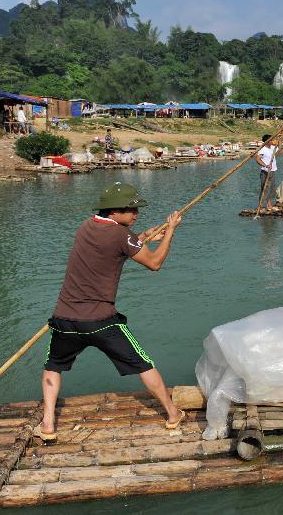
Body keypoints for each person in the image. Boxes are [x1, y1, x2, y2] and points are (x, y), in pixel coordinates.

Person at [36, 183, 185, 441]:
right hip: (101, 322)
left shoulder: (86, 226)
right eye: (131, 209)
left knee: (53, 366)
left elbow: (119, 246)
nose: (135, 213)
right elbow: (154, 263)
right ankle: (173, 414)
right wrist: (170, 231)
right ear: (114, 212)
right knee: (143, 363)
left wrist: (145, 236)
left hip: (64, 319)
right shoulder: (120, 235)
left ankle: (47, 425)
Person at [255, 134, 278, 210]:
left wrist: (280, 139)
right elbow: (258, 159)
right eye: (271, 140)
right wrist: (266, 165)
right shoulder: (263, 149)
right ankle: (260, 205)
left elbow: (279, 147)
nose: (272, 141)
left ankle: (269, 204)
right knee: (264, 188)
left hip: (273, 171)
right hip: (265, 172)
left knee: (271, 188)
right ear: (267, 141)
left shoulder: (272, 148)